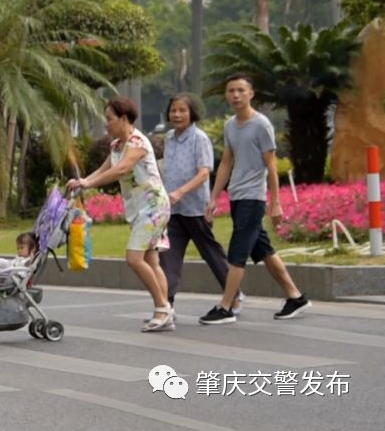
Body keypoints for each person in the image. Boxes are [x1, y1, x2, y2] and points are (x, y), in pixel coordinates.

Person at [198, 74, 310, 325]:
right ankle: (296, 296)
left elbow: (271, 165)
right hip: (237, 196)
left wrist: (276, 202)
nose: (235, 95)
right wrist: (214, 196)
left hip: (253, 198)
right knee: (264, 251)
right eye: (230, 91)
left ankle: (226, 306)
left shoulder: (262, 125)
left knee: (237, 253)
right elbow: (227, 161)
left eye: (240, 90)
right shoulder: (230, 126)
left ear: (251, 94)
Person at [67, 97, 173, 332]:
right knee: (151, 261)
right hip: (140, 209)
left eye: (109, 119)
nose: (106, 124)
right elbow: (105, 169)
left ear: (124, 119)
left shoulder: (137, 142)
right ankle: (166, 311)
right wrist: (84, 181)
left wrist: (86, 184)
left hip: (154, 207)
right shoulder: (117, 145)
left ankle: (162, 308)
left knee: (134, 258)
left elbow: (121, 169)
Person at [160, 93, 242, 313]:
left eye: (182, 110)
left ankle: (234, 295)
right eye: (173, 110)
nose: (176, 115)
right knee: (168, 257)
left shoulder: (200, 138)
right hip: (173, 211)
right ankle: (167, 304)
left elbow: (204, 173)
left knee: (211, 254)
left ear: (192, 113)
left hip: (196, 209)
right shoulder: (168, 137)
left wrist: (180, 192)